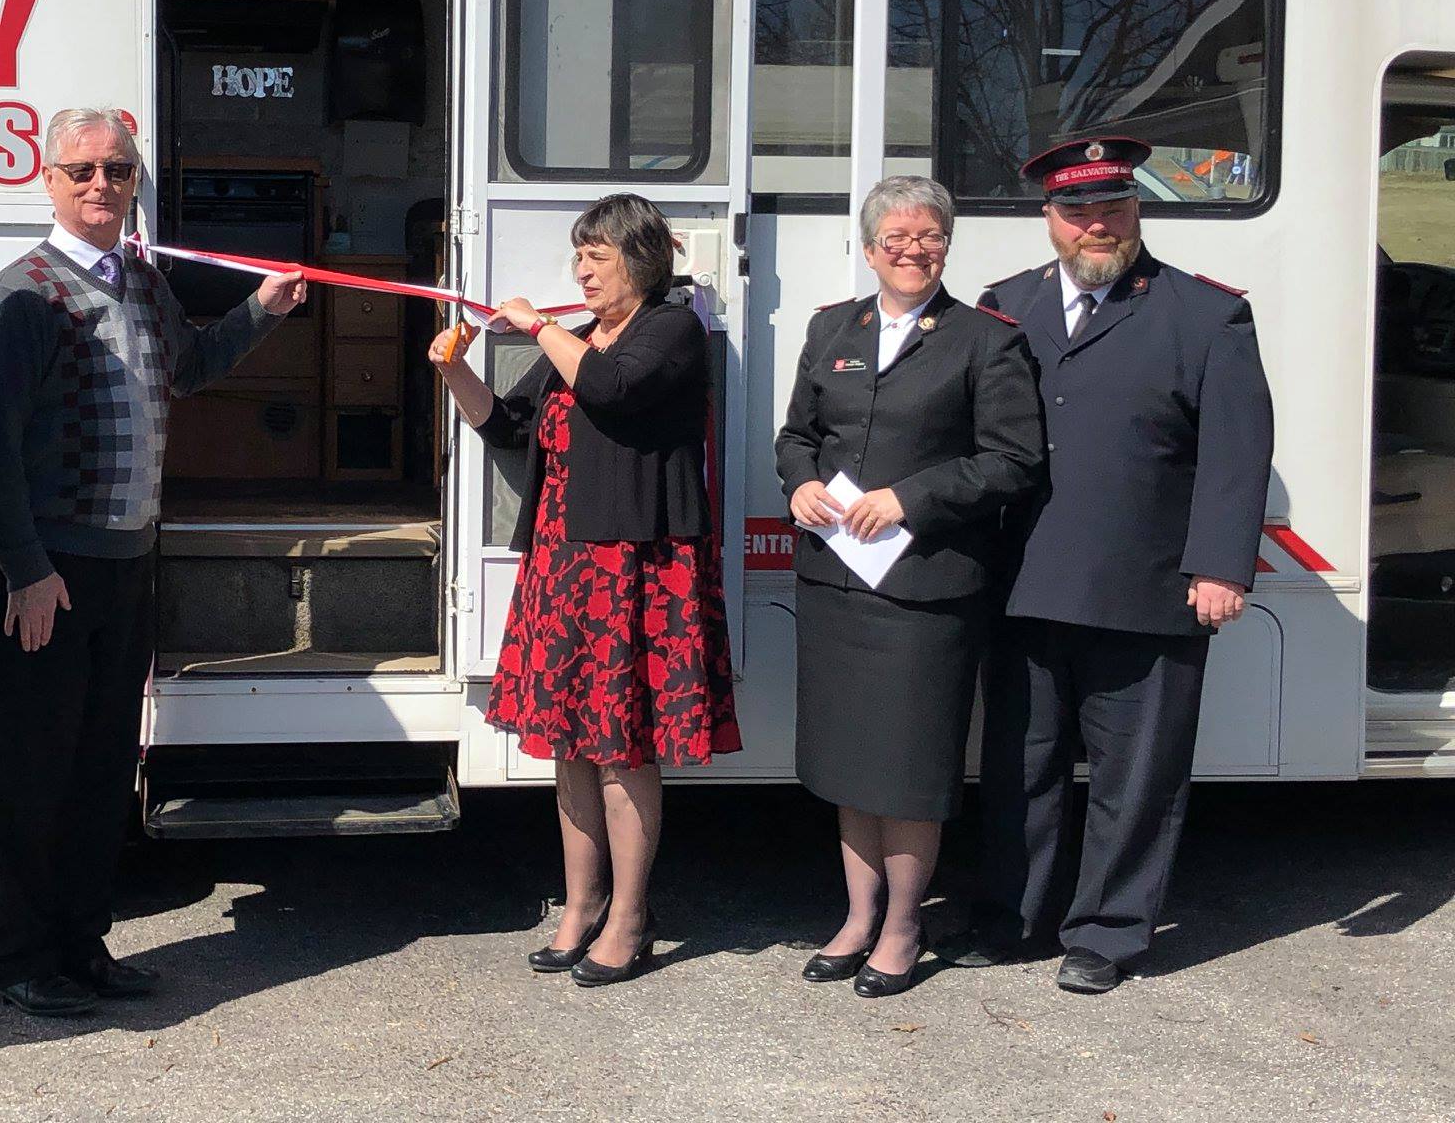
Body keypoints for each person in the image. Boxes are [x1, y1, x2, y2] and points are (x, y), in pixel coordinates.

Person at [0, 106, 306, 1017]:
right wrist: (27, 569)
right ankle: (19, 960)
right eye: (80, 171)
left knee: (101, 769)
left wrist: (260, 311)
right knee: (34, 775)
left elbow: (187, 370)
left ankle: (81, 946)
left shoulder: (143, 283)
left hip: (125, 567)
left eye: (117, 170)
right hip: (49, 577)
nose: (100, 185)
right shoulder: (24, 293)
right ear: (48, 180)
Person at [967, 136, 1274, 995]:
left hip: (1149, 588)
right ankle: (1014, 917)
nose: (1096, 225)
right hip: (1024, 586)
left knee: (1134, 781)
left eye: (1113, 207)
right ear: (1050, 220)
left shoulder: (1207, 315)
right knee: (1020, 771)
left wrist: (1221, 567)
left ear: (1137, 210)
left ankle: (1107, 932)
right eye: (1078, 211)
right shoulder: (1003, 307)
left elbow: (1236, 454)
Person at [429, 193, 740, 989]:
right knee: (572, 743)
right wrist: (457, 370)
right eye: (580, 255)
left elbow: (608, 390)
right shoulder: (583, 337)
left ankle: (631, 916)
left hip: (635, 564)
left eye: (597, 254)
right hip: (564, 563)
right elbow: (506, 426)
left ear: (641, 258)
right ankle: (579, 905)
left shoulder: (672, 329)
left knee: (622, 749)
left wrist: (537, 324)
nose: (583, 269)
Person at [774, 175, 1045, 999]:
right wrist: (798, 483)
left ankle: (902, 925)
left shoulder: (985, 339)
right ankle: (857, 917)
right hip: (837, 584)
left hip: (925, 591)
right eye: (895, 238)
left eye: (928, 237)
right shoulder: (831, 329)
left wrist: (911, 498)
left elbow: (1014, 459)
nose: (912, 250)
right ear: (868, 249)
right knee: (849, 764)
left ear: (947, 246)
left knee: (909, 769)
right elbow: (797, 436)